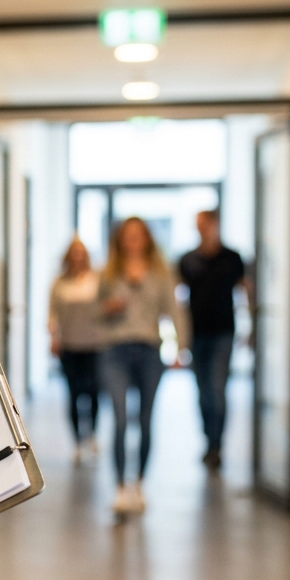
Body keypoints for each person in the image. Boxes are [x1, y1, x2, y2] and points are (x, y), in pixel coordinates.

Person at [98, 218, 180, 515]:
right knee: (120, 419)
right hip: (115, 351)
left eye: (138, 236)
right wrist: (108, 309)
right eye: (127, 236)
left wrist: (181, 345)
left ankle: (139, 484)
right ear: (120, 241)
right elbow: (94, 314)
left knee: (145, 421)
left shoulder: (161, 273)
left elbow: (173, 309)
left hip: (148, 351)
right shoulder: (107, 273)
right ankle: (120, 486)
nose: (132, 241)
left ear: (147, 239)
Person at [178, 210, 246, 472]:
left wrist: (252, 329)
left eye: (205, 225)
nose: (201, 230)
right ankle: (209, 439)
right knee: (203, 391)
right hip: (197, 333)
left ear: (215, 225)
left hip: (223, 333)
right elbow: (176, 298)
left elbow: (245, 289)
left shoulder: (231, 258)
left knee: (216, 390)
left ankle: (217, 444)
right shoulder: (187, 260)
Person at [48, 238, 103, 461]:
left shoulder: (97, 280)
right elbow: (52, 314)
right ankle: (77, 441)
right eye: (74, 252)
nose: (78, 257)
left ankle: (92, 435)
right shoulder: (60, 283)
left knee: (93, 391)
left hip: (94, 344)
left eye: (82, 252)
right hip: (70, 345)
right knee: (72, 393)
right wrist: (54, 337)